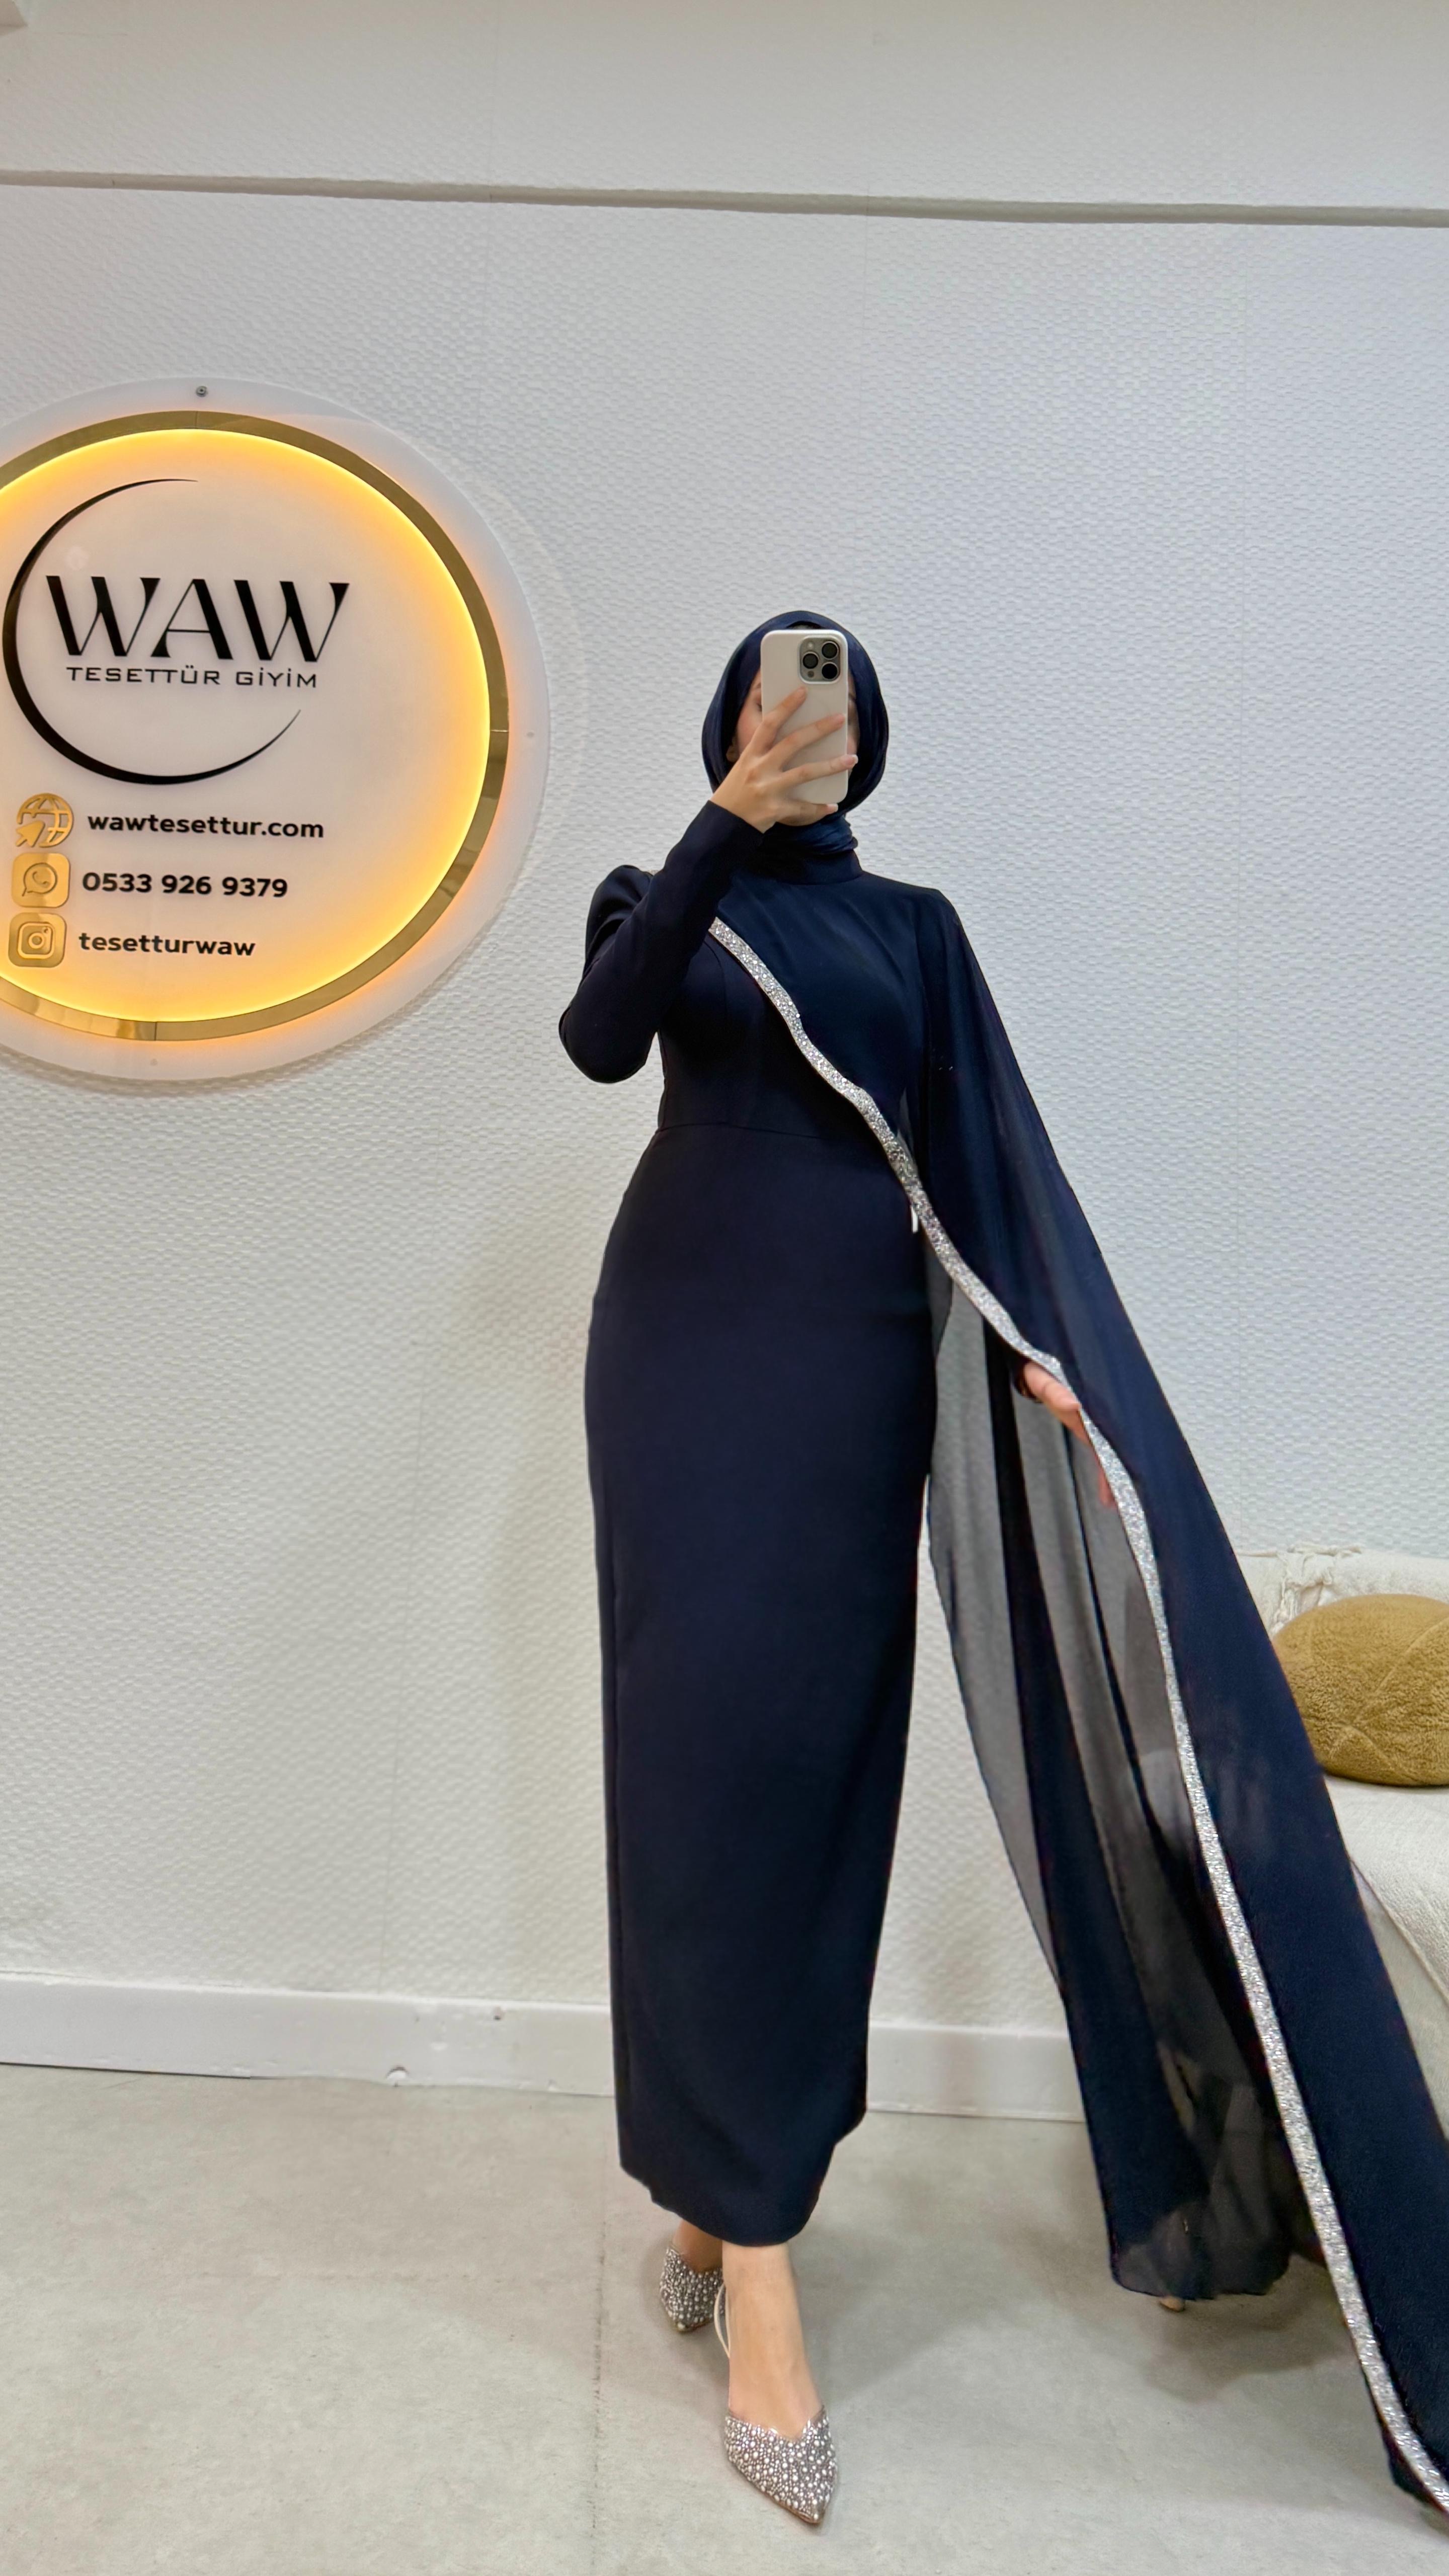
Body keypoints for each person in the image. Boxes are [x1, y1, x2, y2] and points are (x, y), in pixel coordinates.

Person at [559, 613, 1449, 2529]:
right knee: (695, 1761)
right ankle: (755, 2262)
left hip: (857, 1370)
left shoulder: (918, 932)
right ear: (729, 722)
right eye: (777, 699)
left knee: (811, 1767)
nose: (809, 726)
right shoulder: (661, 895)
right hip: (681, 1356)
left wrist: (1050, 1349)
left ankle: (730, 2193)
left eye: (835, 705)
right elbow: (600, 1037)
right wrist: (720, 827)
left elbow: (983, 1158)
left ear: (871, 739)